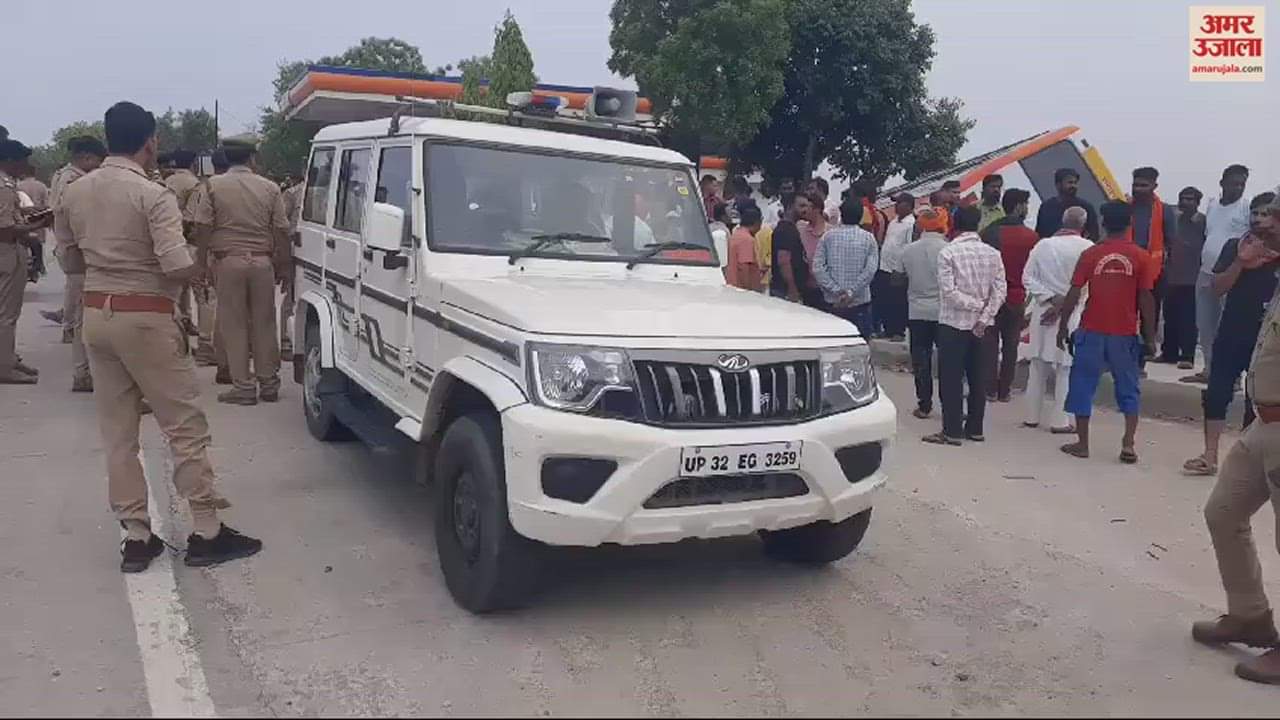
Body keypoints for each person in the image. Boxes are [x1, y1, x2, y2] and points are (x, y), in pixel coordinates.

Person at [53, 101, 262, 571]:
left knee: (118, 431)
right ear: (150, 142)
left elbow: (69, 260)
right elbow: (174, 264)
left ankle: (135, 534)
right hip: (146, 316)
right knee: (183, 426)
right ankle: (207, 529)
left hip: (97, 316)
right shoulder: (152, 195)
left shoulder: (75, 192)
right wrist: (198, 261)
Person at [1191, 192, 1280, 686]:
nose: (1263, 226)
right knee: (1222, 512)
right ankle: (1250, 615)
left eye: (1274, 220)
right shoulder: (1266, 266)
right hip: (1262, 422)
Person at [1181, 192, 1279, 477]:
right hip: (1232, 331)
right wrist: (1241, 261)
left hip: (1267, 340)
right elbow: (1218, 288)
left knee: (1258, 401)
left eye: (1267, 214)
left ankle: (1248, 463)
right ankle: (1209, 456)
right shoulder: (1235, 246)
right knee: (1216, 393)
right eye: (1256, 213)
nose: (1260, 220)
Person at [1056, 200, 1157, 464]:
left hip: (1091, 330)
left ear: (1102, 223)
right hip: (1124, 333)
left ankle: (1083, 443)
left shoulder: (1091, 254)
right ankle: (1128, 444)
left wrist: (1063, 326)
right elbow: (1146, 298)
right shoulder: (1141, 256)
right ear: (1130, 223)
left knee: (1082, 386)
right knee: (1129, 389)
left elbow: (1074, 292)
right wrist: (1150, 335)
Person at [192, 135, 290, 406]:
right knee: (265, 322)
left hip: (228, 263)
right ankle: (269, 383)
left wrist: (201, 263)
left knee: (233, 325)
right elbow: (281, 229)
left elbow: (203, 227)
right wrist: (283, 265)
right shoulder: (270, 188)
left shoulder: (212, 186)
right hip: (262, 263)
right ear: (251, 159)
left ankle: (244, 387)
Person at [922, 206, 1006, 446]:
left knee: (951, 379)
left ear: (954, 224)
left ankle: (952, 431)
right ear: (978, 224)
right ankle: (975, 428)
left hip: (953, 324)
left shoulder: (948, 253)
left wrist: (975, 306)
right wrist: (984, 314)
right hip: (983, 326)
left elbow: (949, 293)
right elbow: (1000, 292)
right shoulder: (993, 254)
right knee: (978, 377)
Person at [1022, 207, 1093, 433]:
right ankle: (1060, 421)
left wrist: (1051, 299)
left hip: (1043, 310)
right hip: (1073, 313)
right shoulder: (1089, 248)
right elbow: (1087, 285)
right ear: (1083, 224)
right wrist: (1063, 304)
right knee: (1065, 368)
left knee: (1037, 364)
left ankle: (1031, 417)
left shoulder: (1043, 245)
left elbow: (1028, 278)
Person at [42, 136, 107, 361]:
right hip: (75, 247)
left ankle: (70, 330)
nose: (99, 166)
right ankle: (80, 359)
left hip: (71, 245)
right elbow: (73, 214)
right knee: (82, 303)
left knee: (77, 293)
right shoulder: (73, 181)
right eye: (98, 161)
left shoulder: (65, 175)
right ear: (86, 157)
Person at [1188, 164, 1251, 385]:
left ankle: (1230, 379)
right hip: (1205, 272)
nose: (1238, 188)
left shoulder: (1246, 208)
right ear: (1222, 183)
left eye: (1242, 184)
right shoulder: (1213, 205)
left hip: (1231, 276)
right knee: (1205, 325)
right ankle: (1208, 369)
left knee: (1227, 327)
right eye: (1234, 183)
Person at [980, 188, 1039, 402]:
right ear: (1018, 206)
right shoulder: (1031, 237)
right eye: (1025, 204)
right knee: (1011, 344)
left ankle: (989, 389)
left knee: (989, 343)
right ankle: (1005, 390)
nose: (1027, 209)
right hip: (1017, 296)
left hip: (992, 295)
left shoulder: (989, 233)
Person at [1, 140, 52, 384]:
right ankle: (4, 367)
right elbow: (5, 229)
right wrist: (39, 224)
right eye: (22, 160)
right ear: (9, 161)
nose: (25, 165)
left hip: (9, 251)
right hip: (7, 252)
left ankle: (8, 360)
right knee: (6, 314)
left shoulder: (8, 185)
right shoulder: (3, 186)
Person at [901, 206, 949, 419]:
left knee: (921, 359)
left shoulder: (908, 250)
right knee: (947, 361)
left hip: (917, 310)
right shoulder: (948, 249)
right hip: (944, 312)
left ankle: (924, 405)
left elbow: (897, 279)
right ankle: (949, 403)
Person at [812, 198, 879, 333]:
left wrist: (836, 290)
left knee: (834, 346)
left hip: (833, 302)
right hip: (860, 303)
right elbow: (870, 270)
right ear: (861, 216)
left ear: (841, 214)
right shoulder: (869, 238)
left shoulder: (827, 237)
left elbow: (817, 268)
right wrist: (851, 292)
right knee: (861, 345)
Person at [1160, 187, 1205, 368]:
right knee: (1170, 316)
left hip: (1193, 278)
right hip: (1172, 276)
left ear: (1197, 203)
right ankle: (1168, 354)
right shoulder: (1173, 219)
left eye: (1190, 199)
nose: (1185, 202)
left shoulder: (1203, 222)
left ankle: (1187, 356)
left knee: (1189, 319)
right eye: (1183, 198)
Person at [873, 192, 914, 341]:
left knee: (898, 301)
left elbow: (909, 247)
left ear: (908, 205)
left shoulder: (911, 224)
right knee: (885, 300)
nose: (896, 206)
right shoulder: (893, 222)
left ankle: (898, 330)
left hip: (898, 269)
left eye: (900, 203)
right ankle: (888, 329)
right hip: (884, 266)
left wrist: (905, 269)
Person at [1035, 168, 1100, 240]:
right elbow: (1040, 234)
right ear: (1058, 185)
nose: (1073, 186)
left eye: (1075, 183)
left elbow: (1094, 234)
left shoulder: (1086, 207)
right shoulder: (1047, 207)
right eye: (1070, 182)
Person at [770, 193, 812, 302]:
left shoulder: (792, 228)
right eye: (801, 206)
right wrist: (792, 288)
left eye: (807, 206)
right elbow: (783, 261)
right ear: (789, 207)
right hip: (784, 292)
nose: (805, 210)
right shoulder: (785, 230)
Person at [280, 175, 305, 357]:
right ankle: (286, 341)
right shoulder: (293, 193)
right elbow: (280, 223)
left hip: (324, 252)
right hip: (296, 250)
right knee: (291, 294)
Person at [725, 204, 764, 291]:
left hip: (732, 286)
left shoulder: (735, 235)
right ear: (757, 223)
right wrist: (748, 290)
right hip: (742, 289)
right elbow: (744, 266)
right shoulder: (747, 240)